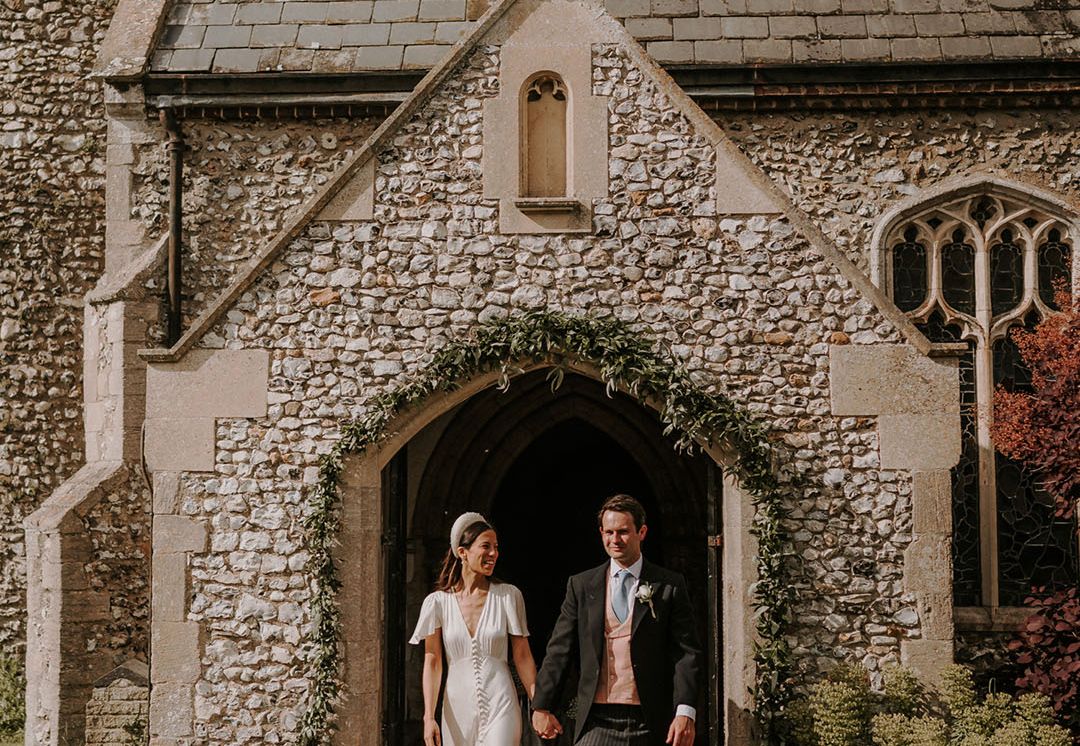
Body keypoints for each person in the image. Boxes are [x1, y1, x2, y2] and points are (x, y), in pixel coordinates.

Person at [531, 495, 702, 746]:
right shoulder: (581, 585)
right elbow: (559, 649)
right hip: (596, 719)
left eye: (623, 532)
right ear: (601, 533)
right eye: (608, 532)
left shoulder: (669, 585)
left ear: (641, 532)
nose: (615, 540)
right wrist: (542, 706)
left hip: (650, 720)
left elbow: (686, 653)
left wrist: (685, 712)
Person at [410, 512, 538, 746]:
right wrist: (429, 717)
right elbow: (433, 661)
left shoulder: (508, 596)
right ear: (462, 552)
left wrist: (539, 705)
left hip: (501, 702)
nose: (493, 554)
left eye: (496, 547)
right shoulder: (437, 603)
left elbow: (522, 655)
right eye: (486, 546)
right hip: (456, 708)